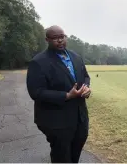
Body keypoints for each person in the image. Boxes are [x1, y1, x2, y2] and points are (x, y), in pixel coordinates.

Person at [26, 25, 91, 163]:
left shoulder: (76, 57)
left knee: (75, 154)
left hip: (80, 118)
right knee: (61, 156)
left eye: (62, 37)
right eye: (55, 38)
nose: (60, 40)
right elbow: (36, 92)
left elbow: (85, 76)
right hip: (55, 121)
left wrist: (86, 88)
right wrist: (67, 96)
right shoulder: (38, 62)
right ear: (47, 40)